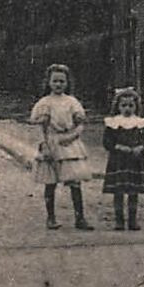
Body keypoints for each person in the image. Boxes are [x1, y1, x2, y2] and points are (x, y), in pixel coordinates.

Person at [28, 63, 94, 230]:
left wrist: (73, 135)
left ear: (67, 83)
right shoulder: (44, 103)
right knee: (50, 183)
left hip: (69, 143)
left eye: (62, 81)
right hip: (52, 143)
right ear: (49, 82)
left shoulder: (72, 102)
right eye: (55, 81)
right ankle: (51, 218)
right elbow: (40, 127)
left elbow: (80, 124)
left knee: (75, 182)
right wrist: (44, 146)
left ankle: (80, 218)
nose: (58, 84)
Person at [102, 86, 144, 231]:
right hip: (118, 161)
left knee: (133, 192)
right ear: (118, 106)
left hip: (135, 162)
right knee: (118, 192)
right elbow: (107, 142)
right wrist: (117, 147)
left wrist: (141, 147)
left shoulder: (141, 123)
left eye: (131, 105)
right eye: (123, 105)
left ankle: (132, 220)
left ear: (136, 106)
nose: (127, 109)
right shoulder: (113, 123)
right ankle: (119, 221)